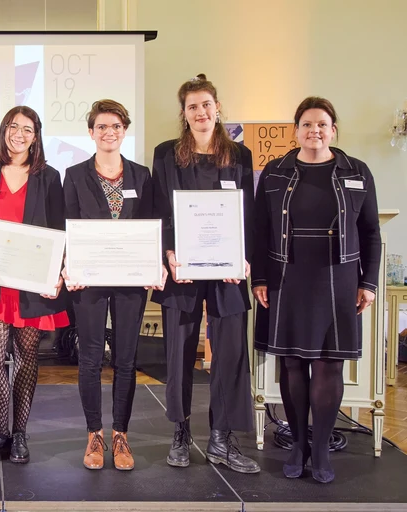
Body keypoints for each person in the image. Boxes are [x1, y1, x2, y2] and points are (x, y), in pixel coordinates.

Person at [252, 97, 381, 483]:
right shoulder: (274, 172)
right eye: (307, 124)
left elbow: (370, 232)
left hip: (338, 279)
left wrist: (369, 283)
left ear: (333, 130)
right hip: (286, 276)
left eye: (322, 124)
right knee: (292, 363)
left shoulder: (357, 171)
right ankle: (298, 445)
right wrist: (260, 278)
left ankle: (321, 448)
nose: (315, 131)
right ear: (296, 131)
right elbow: (260, 230)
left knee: (329, 363)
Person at [150, 74, 260, 474]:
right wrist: (168, 253)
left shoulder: (240, 155)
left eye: (206, 105)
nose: (200, 112)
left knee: (230, 354)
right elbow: (159, 210)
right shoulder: (166, 155)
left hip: (227, 271)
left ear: (218, 108)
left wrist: (243, 257)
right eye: (192, 106)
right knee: (179, 353)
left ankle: (221, 439)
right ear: (184, 113)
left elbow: (247, 214)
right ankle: (180, 433)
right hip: (182, 269)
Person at [63, 99, 165, 471]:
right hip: (88, 279)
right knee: (90, 359)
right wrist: (68, 265)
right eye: (103, 126)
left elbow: (152, 224)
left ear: (125, 131)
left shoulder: (141, 175)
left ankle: (121, 434)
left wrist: (154, 263)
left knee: (126, 359)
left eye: (117, 126)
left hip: (131, 279)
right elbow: (67, 224)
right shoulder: (74, 175)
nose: (110, 132)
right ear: (91, 132)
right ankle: (95, 434)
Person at [0, 106, 68, 464]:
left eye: (27, 128)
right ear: (3, 131)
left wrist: (56, 272)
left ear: (35, 136)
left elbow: (58, 228)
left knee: (26, 360)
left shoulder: (49, 177)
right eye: (13, 126)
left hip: (30, 283)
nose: (19, 134)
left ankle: (20, 433)